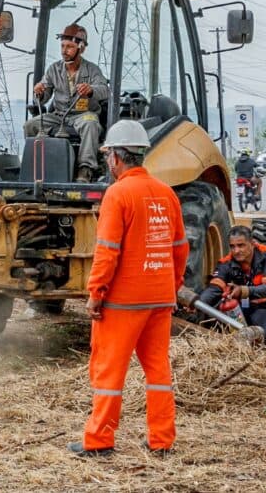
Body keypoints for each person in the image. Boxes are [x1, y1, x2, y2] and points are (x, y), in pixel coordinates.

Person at [67, 120, 189, 458]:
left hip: (123, 302)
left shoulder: (118, 194)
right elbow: (180, 249)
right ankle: (161, 439)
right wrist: (172, 286)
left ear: (118, 158)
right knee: (158, 371)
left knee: (108, 371)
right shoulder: (166, 193)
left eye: (107, 155)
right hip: (159, 299)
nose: (107, 161)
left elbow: (107, 250)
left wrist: (96, 292)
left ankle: (99, 441)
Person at [23, 23, 110, 183]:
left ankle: (85, 169)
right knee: (30, 125)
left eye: (69, 46)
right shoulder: (53, 70)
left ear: (81, 48)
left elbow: (104, 90)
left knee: (90, 123)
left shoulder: (92, 70)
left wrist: (90, 90)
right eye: (62, 46)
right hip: (59, 116)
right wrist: (40, 91)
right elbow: (45, 95)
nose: (64, 50)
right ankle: (34, 166)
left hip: (83, 115)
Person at [198, 225, 266, 348]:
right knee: (214, 331)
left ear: (252, 243)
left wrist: (243, 291)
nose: (236, 251)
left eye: (241, 245)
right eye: (232, 246)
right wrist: (197, 302)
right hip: (238, 309)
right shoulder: (225, 263)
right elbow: (214, 289)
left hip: (264, 307)